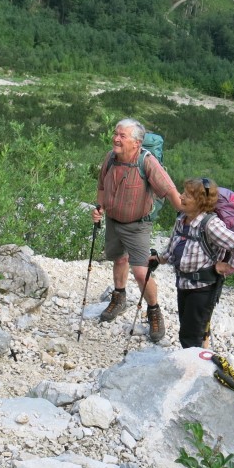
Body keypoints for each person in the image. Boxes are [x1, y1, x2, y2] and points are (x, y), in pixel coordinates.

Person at [92, 118, 182, 342]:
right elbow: (102, 185)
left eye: (122, 136)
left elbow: (170, 190)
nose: (116, 138)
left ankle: (154, 311)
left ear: (137, 143)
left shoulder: (147, 162)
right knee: (119, 260)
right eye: (116, 133)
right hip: (114, 221)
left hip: (138, 225)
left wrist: (189, 214)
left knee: (141, 272)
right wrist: (100, 208)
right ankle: (119, 297)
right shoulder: (110, 158)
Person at [154, 177, 234, 349]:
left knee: (190, 336)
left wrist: (228, 266)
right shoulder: (182, 219)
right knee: (190, 328)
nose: (181, 197)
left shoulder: (211, 224)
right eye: (183, 193)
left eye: (187, 196)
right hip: (183, 284)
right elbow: (173, 248)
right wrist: (160, 259)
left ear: (201, 202)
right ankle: (199, 362)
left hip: (203, 287)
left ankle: (193, 371)